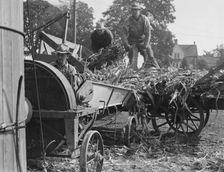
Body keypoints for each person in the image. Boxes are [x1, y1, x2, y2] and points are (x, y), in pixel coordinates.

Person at [122, 3, 160, 70]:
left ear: (139, 11)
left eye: (137, 10)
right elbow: (124, 34)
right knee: (133, 57)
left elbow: (148, 33)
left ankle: (156, 68)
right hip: (133, 41)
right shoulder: (128, 20)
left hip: (143, 40)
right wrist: (126, 44)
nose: (135, 11)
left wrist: (145, 44)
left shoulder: (144, 19)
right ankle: (133, 70)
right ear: (131, 11)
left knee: (150, 54)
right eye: (133, 10)